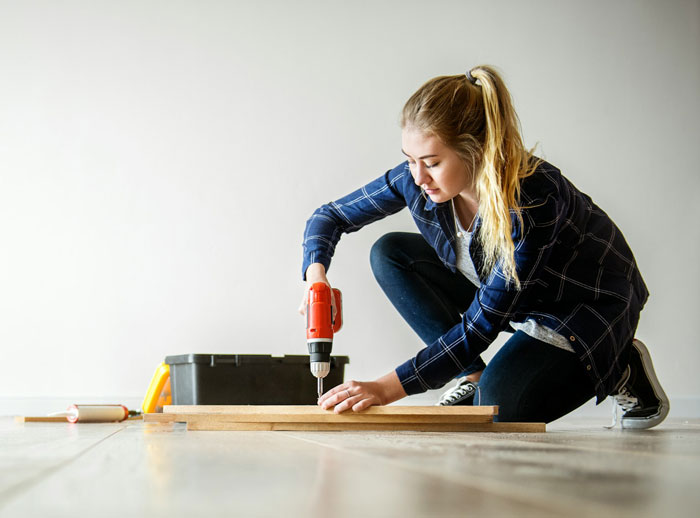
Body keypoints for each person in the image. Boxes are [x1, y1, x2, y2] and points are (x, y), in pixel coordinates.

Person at [299, 65, 669, 428]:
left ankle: (621, 366)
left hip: (582, 307)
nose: (417, 177)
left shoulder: (533, 199)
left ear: (476, 150)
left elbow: (480, 326)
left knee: (496, 408)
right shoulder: (416, 180)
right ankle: (472, 376)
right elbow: (328, 216)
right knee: (390, 254)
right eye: (409, 160)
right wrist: (317, 277)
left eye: (432, 163)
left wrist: (384, 389)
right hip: (515, 296)